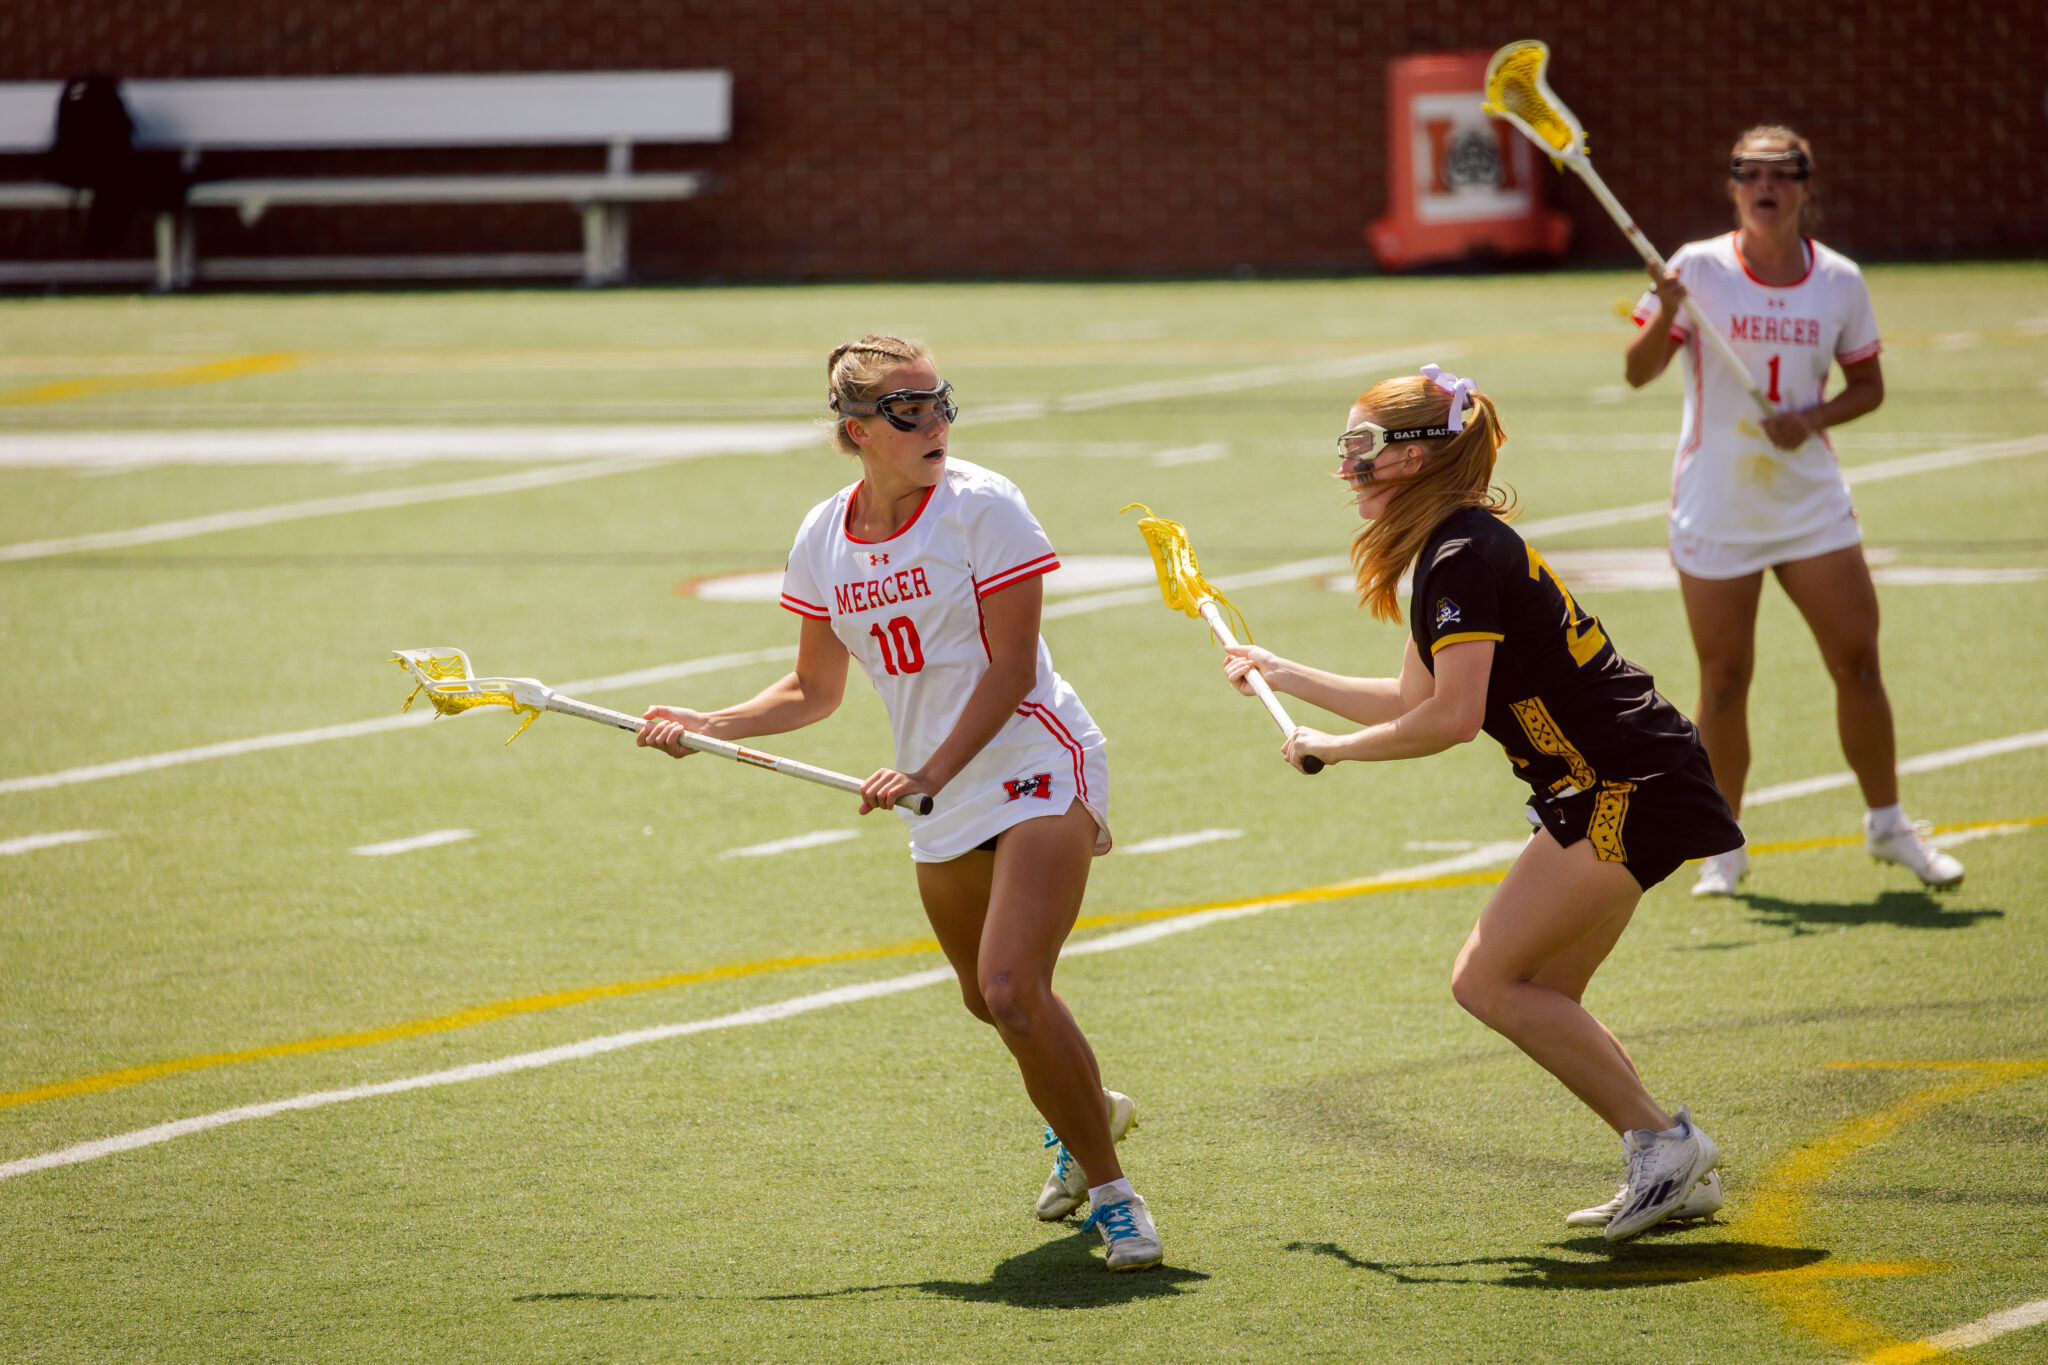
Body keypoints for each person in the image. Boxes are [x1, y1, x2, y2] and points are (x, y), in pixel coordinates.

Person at [636, 334, 1160, 1272]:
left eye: (942, 402)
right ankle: (1090, 1100)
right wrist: (710, 721)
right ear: (857, 431)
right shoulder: (823, 535)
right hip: (937, 787)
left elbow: (1008, 670)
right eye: (908, 410)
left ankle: (1113, 1191)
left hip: (1034, 757)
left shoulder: (983, 507)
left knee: (1012, 986)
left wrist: (928, 770)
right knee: (988, 1003)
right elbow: (812, 689)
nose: (936, 424)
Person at [1222, 365, 1739, 1240]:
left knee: (1488, 980)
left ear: (1421, 456)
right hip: (1618, 777)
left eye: (1366, 451)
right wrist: (1284, 674)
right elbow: (1408, 696)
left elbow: (1452, 720)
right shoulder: (1457, 546)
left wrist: (1331, 749)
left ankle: (1665, 1145)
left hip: (1622, 783)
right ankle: (1665, 1158)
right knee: (1544, 989)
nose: (1351, 468)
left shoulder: (1461, 552)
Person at [1624, 125, 1963, 897]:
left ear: (1808, 187)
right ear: (1732, 186)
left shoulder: (1839, 280)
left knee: (1858, 662)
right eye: (1748, 172)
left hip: (1810, 503)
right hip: (1718, 503)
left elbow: (1869, 386)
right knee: (1725, 679)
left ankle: (1888, 823)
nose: (1764, 185)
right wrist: (1664, 311)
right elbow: (1638, 371)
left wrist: (1811, 419)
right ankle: (1723, 848)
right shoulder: (1694, 268)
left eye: (1782, 173)